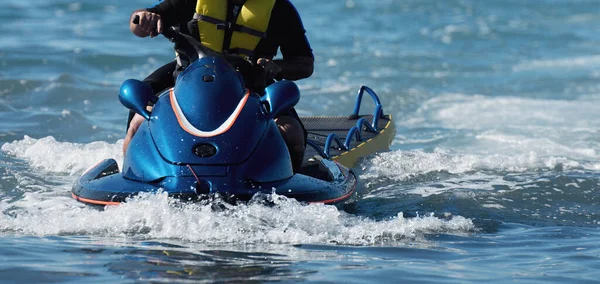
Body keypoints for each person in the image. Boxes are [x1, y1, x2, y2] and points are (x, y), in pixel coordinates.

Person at [124, 0, 314, 173]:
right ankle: (128, 177)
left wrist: (276, 68)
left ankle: (292, 186)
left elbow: (305, 64)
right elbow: (136, 26)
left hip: (251, 83)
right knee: (139, 122)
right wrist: (145, 18)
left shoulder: (280, 8)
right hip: (187, 80)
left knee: (291, 132)